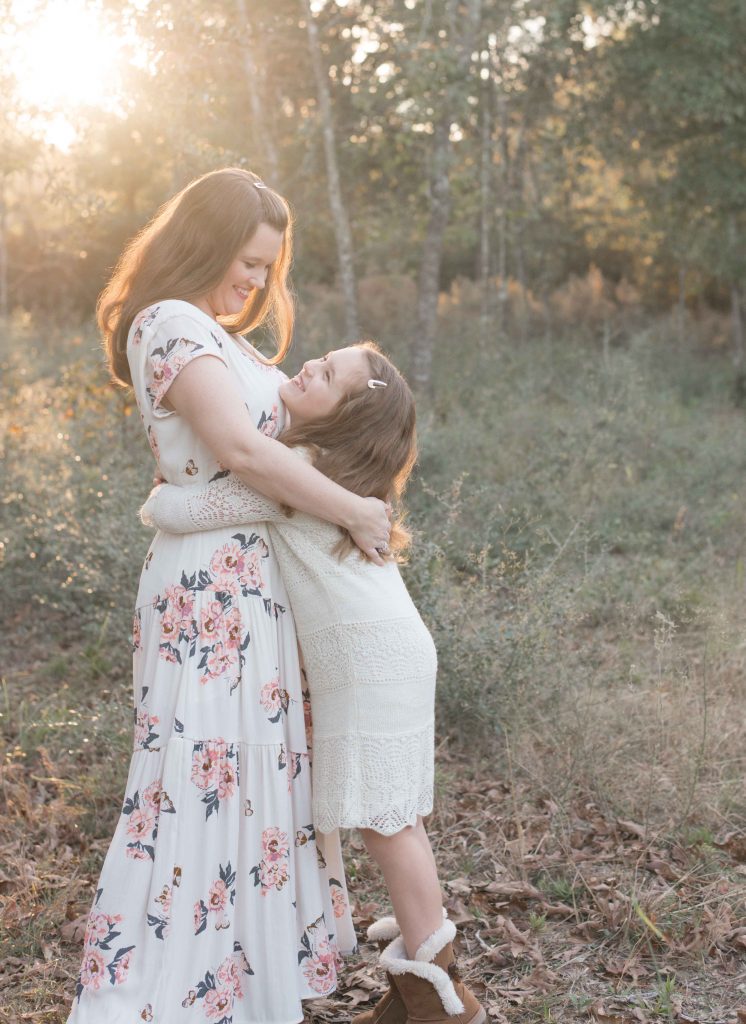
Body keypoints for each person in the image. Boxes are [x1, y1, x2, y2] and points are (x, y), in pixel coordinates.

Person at [67, 167, 392, 1024]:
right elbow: (242, 455)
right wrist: (355, 509)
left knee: (251, 776)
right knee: (196, 773)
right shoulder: (168, 322)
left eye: (268, 267)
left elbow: (286, 446)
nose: (255, 280)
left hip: (253, 595)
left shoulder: (225, 338)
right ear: (206, 242)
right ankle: (171, 982)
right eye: (248, 260)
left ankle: (240, 979)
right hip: (205, 596)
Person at [140, 341, 487, 1024]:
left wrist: (157, 495)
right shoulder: (336, 481)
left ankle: (445, 998)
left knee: (386, 823)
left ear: (345, 419)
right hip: (389, 653)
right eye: (321, 359)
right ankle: (418, 989)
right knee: (394, 818)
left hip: (370, 662)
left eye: (326, 376)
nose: (307, 368)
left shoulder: (296, 471)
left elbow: (187, 513)